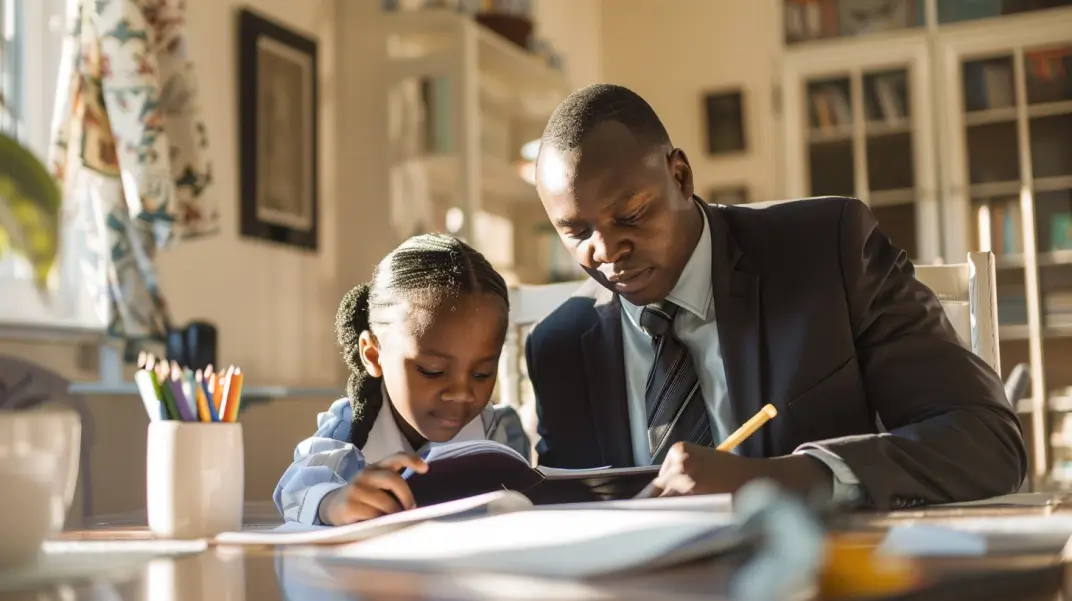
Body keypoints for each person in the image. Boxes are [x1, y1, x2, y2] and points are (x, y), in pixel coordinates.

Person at [526, 83, 1025, 510]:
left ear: (680, 176)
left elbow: (987, 441)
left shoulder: (828, 252)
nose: (607, 250)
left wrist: (777, 479)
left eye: (630, 215)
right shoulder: (560, 346)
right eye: (575, 231)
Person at [274, 234, 530, 525]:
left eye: (481, 373)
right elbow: (296, 487)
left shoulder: (499, 431)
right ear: (373, 354)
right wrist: (332, 503)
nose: (461, 393)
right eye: (432, 370)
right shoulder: (351, 427)